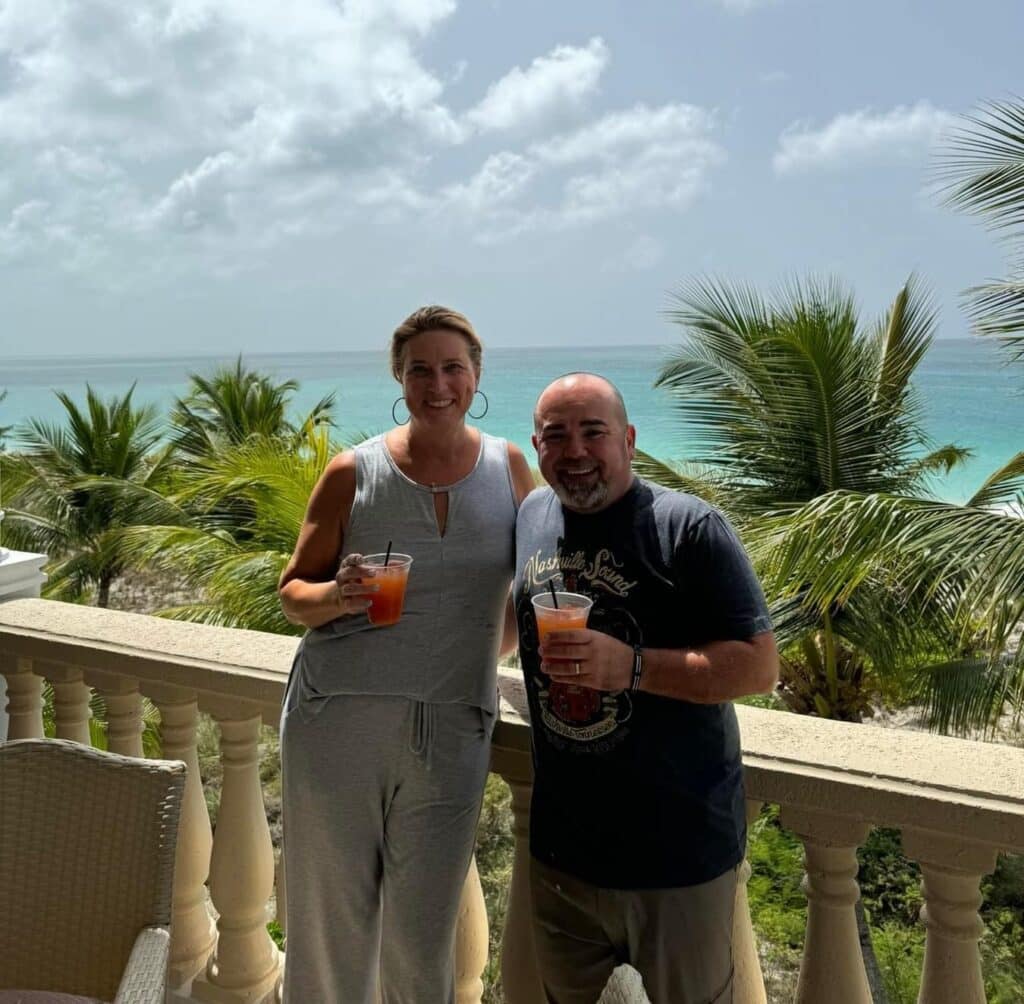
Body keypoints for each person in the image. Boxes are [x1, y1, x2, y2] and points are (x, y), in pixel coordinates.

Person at [278, 305, 534, 1003]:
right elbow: (293, 593)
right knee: (331, 924)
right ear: (400, 378)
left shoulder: (510, 468)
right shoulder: (350, 472)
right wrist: (338, 595)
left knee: (424, 935)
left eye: (453, 368)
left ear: (476, 376)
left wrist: (479, 648)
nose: (438, 384)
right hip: (339, 718)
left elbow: (543, 586)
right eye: (420, 369)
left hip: (453, 726)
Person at [514, 372, 779, 1004]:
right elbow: (511, 614)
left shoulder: (688, 528)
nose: (575, 450)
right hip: (562, 853)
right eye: (556, 436)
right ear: (537, 446)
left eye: (593, 432)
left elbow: (759, 666)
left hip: (677, 856)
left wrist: (630, 667)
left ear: (628, 440)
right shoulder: (532, 514)